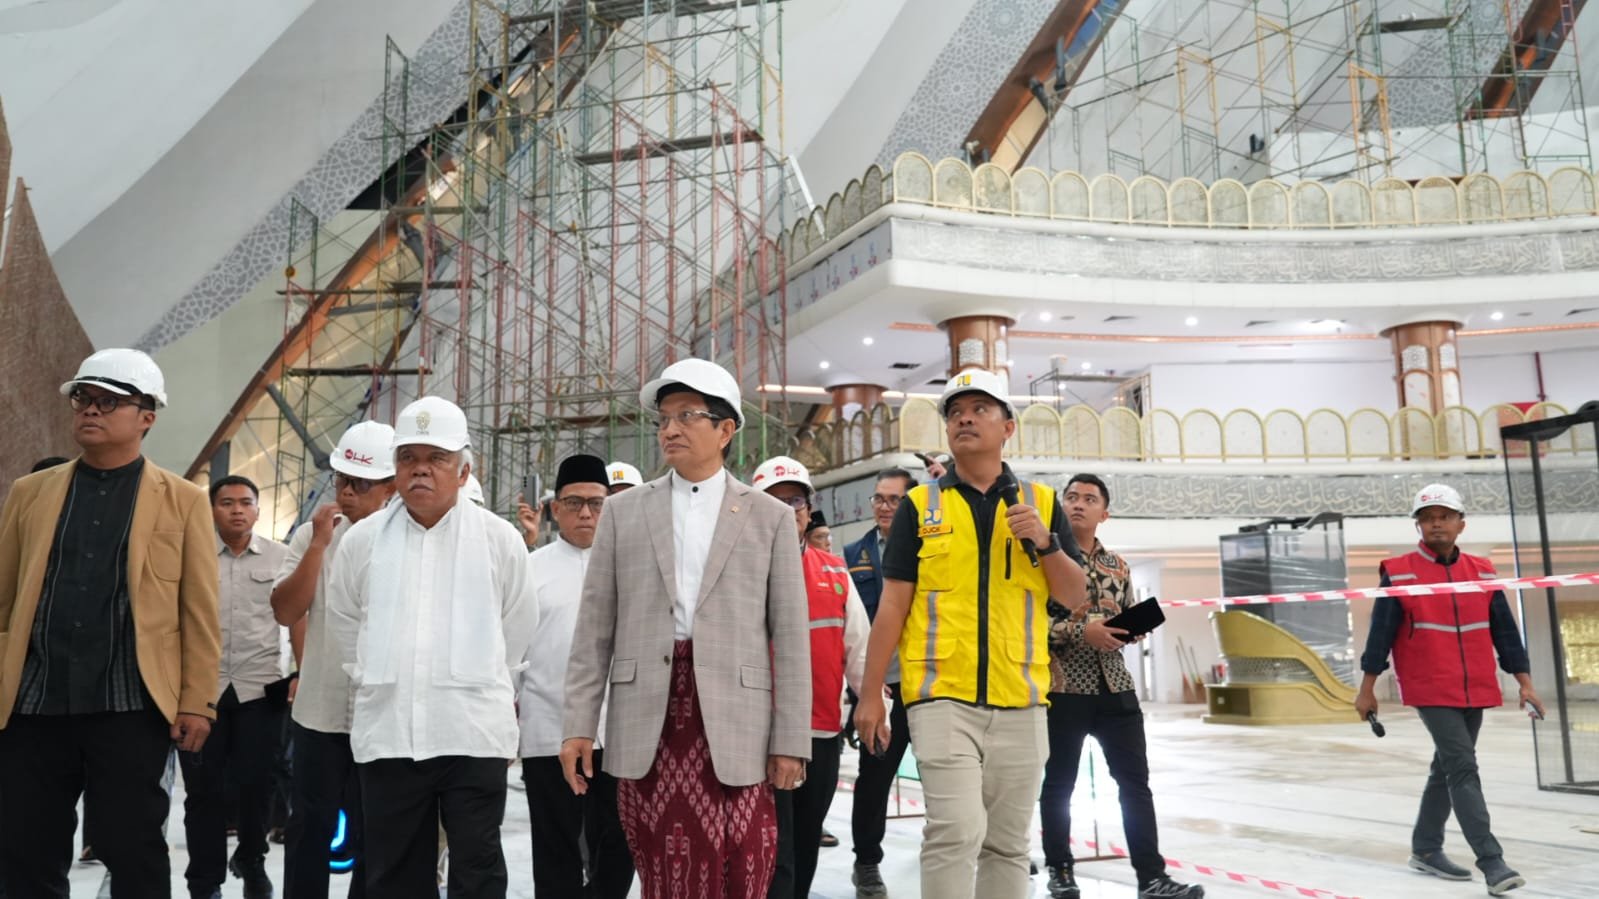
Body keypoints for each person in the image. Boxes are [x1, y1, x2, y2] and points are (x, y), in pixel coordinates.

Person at [561, 357, 811, 898]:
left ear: (726, 430)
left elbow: (791, 638)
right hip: (649, 716)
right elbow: (594, 629)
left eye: (687, 415)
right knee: (661, 864)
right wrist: (578, 723)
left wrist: (792, 739)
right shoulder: (625, 512)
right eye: (664, 418)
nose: (670, 429)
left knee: (744, 861)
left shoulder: (768, 517)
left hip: (737, 722)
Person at [855, 368, 1087, 899]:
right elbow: (892, 605)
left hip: (1022, 698)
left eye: (980, 409)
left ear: (1007, 427)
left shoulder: (1042, 503)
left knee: (1007, 845)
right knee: (956, 830)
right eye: (956, 412)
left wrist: (1047, 543)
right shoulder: (920, 506)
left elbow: (1074, 596)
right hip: (941, 697)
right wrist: (870, 695)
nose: (965, 418)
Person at [0, 348, 221, 898]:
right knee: (26, 847)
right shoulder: (30, 493)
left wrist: (197, 701)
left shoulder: (183, 501)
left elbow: (198, 611)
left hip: (129, 705)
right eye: (83, 398)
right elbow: (4, 600)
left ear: (147, 417)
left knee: (132, 845)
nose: (90, 410)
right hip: (34, 703)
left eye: (107, 401)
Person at [328, 397, 536, 898]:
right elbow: (345, 623)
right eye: (408, 458)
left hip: (472, 734)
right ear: (395, 468)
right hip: (390, 733)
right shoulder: (362, 541)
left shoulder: (500, 540)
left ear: (464, 471)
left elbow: (517, 628)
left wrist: (474, 680)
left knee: (477, 870)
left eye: (436, 458)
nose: (420, 469)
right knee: (393, 873)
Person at [1356, 483, 1543, 897]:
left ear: (1461, 524)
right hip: (1429, 685)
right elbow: (1380, 635)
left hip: (1476, 684)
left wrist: (1525, 683)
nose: (1436, 524)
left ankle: (1425, 849)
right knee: (1462, 767)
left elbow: (1505, 632)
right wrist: (1367, 689)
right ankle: (1492, 862)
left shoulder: (1482, 572)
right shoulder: (1400, 572)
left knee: (1446, 768)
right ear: (1418, 526)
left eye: (1444, 517)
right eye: (1427, 518)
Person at [1038, 474, 1203, 899]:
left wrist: (1133, 629)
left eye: (1089, 499)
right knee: (1059, 784)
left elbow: (1126, 611)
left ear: (1104, 513)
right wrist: (1083, 633)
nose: (1078, 504)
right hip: (1062, 687)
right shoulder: (1044, 560)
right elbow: (1031, 624)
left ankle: (1152, 877)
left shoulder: (1119, 566)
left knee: (1135, 784)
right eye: (1071, 497)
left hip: (1116, 687)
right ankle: (1060, 871)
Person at [273, 420, 397, 898]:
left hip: (382, 712)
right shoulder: (314, 536)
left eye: (360, 483)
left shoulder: (407, 542)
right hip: (320, 710)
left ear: (390, 487)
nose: (346, 492)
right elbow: (286, 610)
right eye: (341, 479)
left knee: (376, 831)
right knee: (308, 825)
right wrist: (319, 545)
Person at [752, 456, 869, 899]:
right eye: (775, 502)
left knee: (804, 839)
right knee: (768, 845)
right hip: (757, 734)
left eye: (795, 501)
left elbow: (858, 643)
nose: (787, 511)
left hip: (820, 729)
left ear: (809, 508)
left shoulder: (834, 571)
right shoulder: (737, 569)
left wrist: (873, 703)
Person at [518, 454, 634, 898]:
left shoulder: (633, 567)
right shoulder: (531, 570)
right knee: (555, 846)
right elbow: (513, 650)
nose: (586, 513)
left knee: (620, 840)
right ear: (555, 508)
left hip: (619, 731)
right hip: (550, 730)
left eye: (596, 503)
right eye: (574, 503)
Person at [180, 474, 290, 899]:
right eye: (227, 503)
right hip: (200, 691)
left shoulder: (281, 557)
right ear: (211, 510)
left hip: (260, 688)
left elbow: (298, 615)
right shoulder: (191, 555)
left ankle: (252, 860)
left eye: (246, 502)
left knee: (258, 784)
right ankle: (204, 880)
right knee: (203, 791)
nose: (237, 510)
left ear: (258, 510)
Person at [844, 466, 917, 898]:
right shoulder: (853, 555)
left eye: (894, 499)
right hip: (881, 688)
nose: (884, 507)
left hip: (929, 684)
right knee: (874, 778)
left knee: (949, 774)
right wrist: (860, 691)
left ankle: (974, 848)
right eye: (879, 498)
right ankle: (867, 862)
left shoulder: (929, 550)